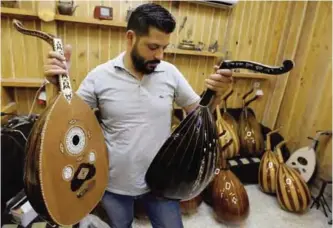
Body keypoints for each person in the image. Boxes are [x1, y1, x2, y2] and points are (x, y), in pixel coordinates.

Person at [44, 3, 232, 228]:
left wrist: (216, 95)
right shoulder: (100, 76)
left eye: (164, 47)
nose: (160, 55)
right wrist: (59, 85)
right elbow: (71, 119)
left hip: (163, 183)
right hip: (113, 185)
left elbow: (199, 114)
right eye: (153, 47)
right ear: (131, 37)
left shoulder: (170, 73)